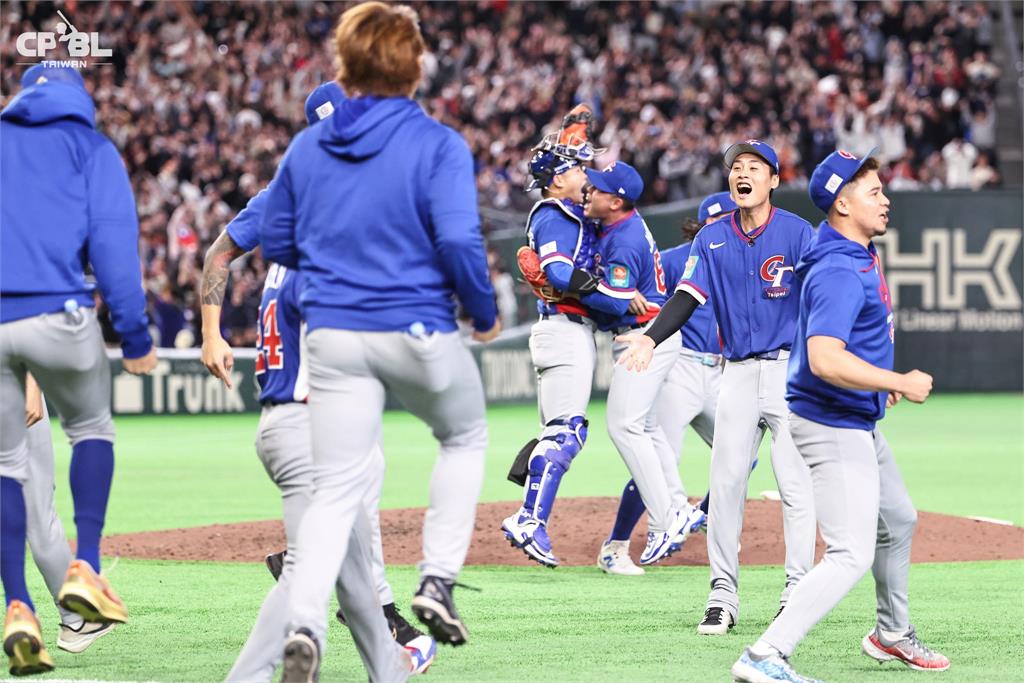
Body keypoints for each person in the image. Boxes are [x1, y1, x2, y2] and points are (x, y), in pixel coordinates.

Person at [258, 3, 499, 679]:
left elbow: (276, 239)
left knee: (335, 489)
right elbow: (457, 239)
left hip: (334, 335)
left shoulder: (308, 146)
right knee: (463, 435)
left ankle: (304, 624)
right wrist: (480, 311)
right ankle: (438, 579)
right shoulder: (438, 144)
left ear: (345, 64)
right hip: (416, 324)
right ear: (415, 65)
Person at [198, 82, 435, 681]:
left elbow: (219, 255)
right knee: (311, 566)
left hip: (292, 422)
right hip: (313, 425)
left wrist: (210, 332)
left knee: (356, 580)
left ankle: (393, 670)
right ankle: (280, 651)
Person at [731, 150, 949, 682]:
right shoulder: (837, 266)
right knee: (849, 553)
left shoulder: (850, 250)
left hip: (853, 415)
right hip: (832, 424)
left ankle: (890, 635)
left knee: (897, 519)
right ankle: (765, 654)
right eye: (873, 192)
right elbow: (825, 358)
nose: (885, 199)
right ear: (842, 204)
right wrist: (897, 381)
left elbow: (840, 350)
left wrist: (875, 383)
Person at [615, 141, 816, 635]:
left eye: (754, 167)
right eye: (735, 168)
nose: (742, 174)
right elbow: (686, 296)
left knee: (795, 485)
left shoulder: (798, 233)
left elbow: (822, 298)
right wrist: (650, 337)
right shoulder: (712, 239)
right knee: (725, 486)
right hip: (739, 373)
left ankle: (797, 589)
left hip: (790, 370)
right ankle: (723, 593)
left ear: (773, 180)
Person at [0, 64, 157, 676]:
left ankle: (17, 600)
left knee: (7, 466)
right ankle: (85, 567)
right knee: (91, 428)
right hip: (57, 313)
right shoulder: (90, 146)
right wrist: (137, 335)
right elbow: (114, 248)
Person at [500, 107, 641, 567]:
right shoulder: (557, 212)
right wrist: (615, 298)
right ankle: (529, 521)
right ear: (557, 180)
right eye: (577, 170)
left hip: (564, 330)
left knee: (560, 430)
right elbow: (559, 271)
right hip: (563, 330)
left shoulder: (564, 206)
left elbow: (562, 152)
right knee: (567, 432)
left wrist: (575, 127)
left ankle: (531, 517)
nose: (584, 175)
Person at [598, 191, 765, 576]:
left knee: (744, 450)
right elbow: (647, 281)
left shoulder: (743, 262)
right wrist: (630, 291)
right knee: (659, 460)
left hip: (720, 371)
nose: (731, 223)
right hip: (679, 368)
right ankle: (616, 546)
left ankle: (703, 515)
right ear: (705, 224)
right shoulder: (678, 258)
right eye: (722, 218)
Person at [583, 162, 706, 568]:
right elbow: (619, 293)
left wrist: (584, 287)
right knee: (648, 430)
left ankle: (667, 518)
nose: (589, 190)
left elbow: (614, 301)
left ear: (616, 201)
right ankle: (678, 508)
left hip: (644, 335)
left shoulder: (624, 240)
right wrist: (616, 291)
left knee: (624, 425)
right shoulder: (618, 224)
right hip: (653, 334)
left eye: (598, 189)